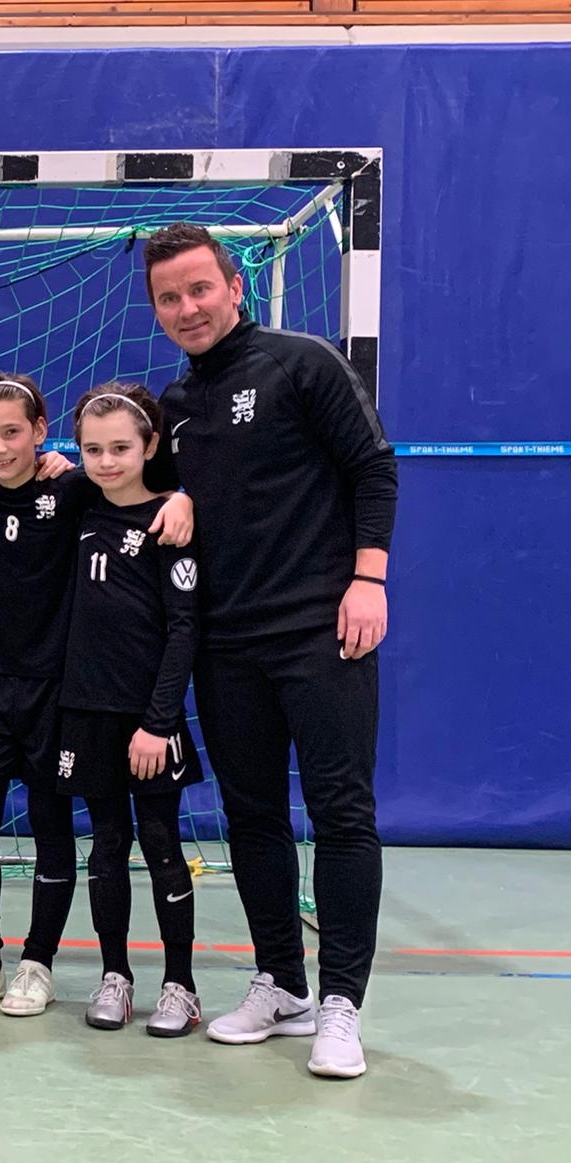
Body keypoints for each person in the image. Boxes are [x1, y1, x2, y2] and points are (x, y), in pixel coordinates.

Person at [142, 222, 397, 1077]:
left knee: (341, 813)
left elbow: (373, 468)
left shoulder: (302, 362)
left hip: (322, 632)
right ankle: (282, 982)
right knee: (251, 816)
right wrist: (179, 494)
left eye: (199, 289)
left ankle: (340, 1004)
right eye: (169, 297)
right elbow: (140, 481)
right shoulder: (177, 403)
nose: (187, 307)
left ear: (234, 287)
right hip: (227, 644)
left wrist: (369, 579)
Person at [0, 374, 193, 1017]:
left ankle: (39, 962)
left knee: (57, 827)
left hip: (61, 695)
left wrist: (185, 496)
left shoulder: (75, 490)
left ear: (42, 432)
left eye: (12, 433)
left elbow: (146, 482)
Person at [57, 382, 206, 1036]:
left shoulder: (170, 521)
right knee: (107, 844)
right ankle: (114, 974)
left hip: (148, 721)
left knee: (162, 842)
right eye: (93, 449)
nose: (106, 460)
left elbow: (184, 631)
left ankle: (181, 984)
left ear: (149, 446)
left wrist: (158, 722)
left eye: (120, 447)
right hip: (86, 712)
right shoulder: (78, 508)